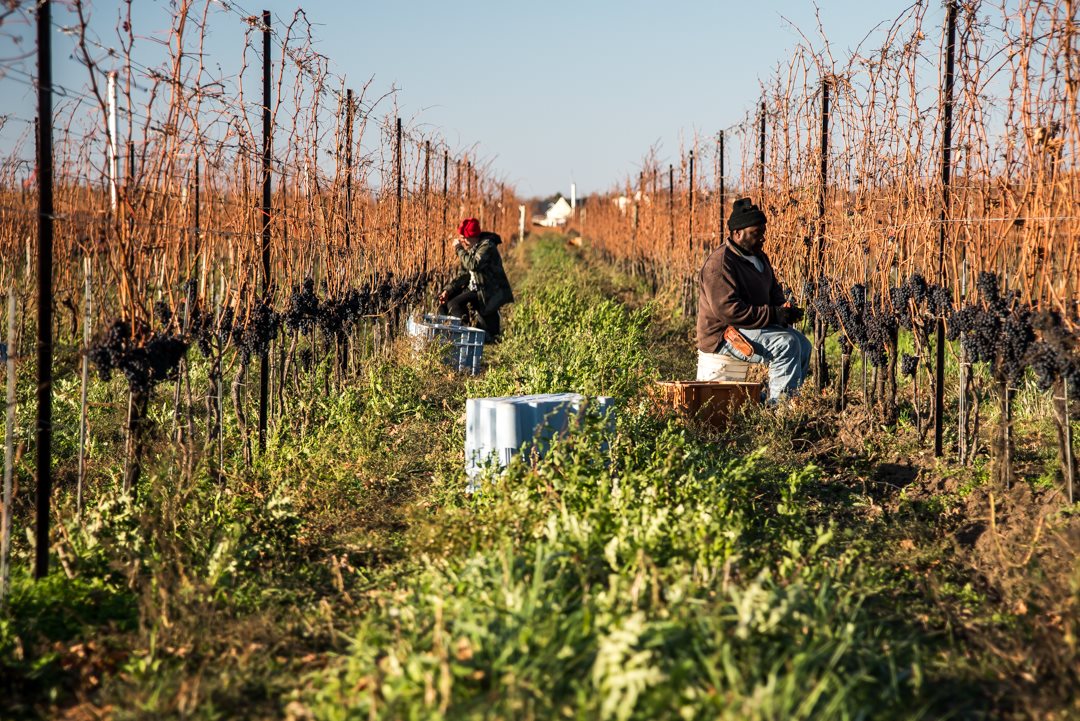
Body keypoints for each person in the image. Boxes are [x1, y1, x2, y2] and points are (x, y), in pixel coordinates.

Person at [696, 197, 811, 403]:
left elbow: (773, 291)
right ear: (737, 233)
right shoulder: (720, 264)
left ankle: (780, 398)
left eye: (762, 234)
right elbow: (729, 311)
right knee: (786, 344)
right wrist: (773, 314)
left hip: (750, 325)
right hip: (724, 333)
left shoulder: (760, 258)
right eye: (756, 234)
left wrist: (783, 309)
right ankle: (779, 411)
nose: (762, 239)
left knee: (803, 344)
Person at [438, 217, 514, 341]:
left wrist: (459, 249)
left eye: (464, 238)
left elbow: (473, 264)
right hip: (476, 288)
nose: (463, 241)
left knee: (454, 304)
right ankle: (450, 334)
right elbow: (464, 275)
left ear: (472, 237)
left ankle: (465, 335)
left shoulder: (487, 246)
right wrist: (448, 290)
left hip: (488, 291)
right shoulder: (472, 248)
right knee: (445, 301)